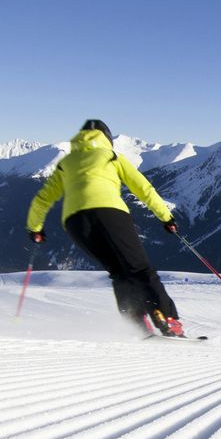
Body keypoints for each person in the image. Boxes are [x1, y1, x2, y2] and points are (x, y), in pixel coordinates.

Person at [26, 119, 186, 337]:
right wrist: (166, 218)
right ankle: (168, 321)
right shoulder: (112, 156)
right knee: (140, 269)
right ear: (107, 138)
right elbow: (143, 188)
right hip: (110, 213)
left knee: (119, 273)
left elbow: (42, 199)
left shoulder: (67, 162)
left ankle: (136, 325)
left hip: (75, 222)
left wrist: (35, 228)